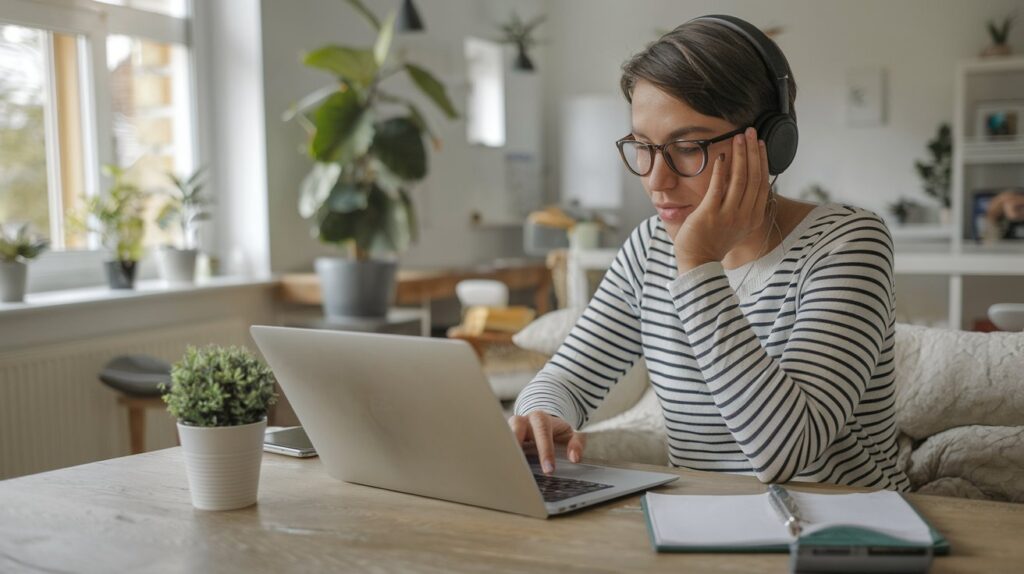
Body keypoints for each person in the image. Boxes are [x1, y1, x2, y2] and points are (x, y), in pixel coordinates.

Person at [509, 15, 910, 491]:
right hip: (699, 525)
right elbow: (567, 379)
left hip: (844, 531)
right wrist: (542, 414)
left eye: (688, 146)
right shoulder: (649, 248)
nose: (656, 180)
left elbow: (785, 452)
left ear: (770, 143)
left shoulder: (849, 243)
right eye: (642, 147)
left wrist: (697, 264)